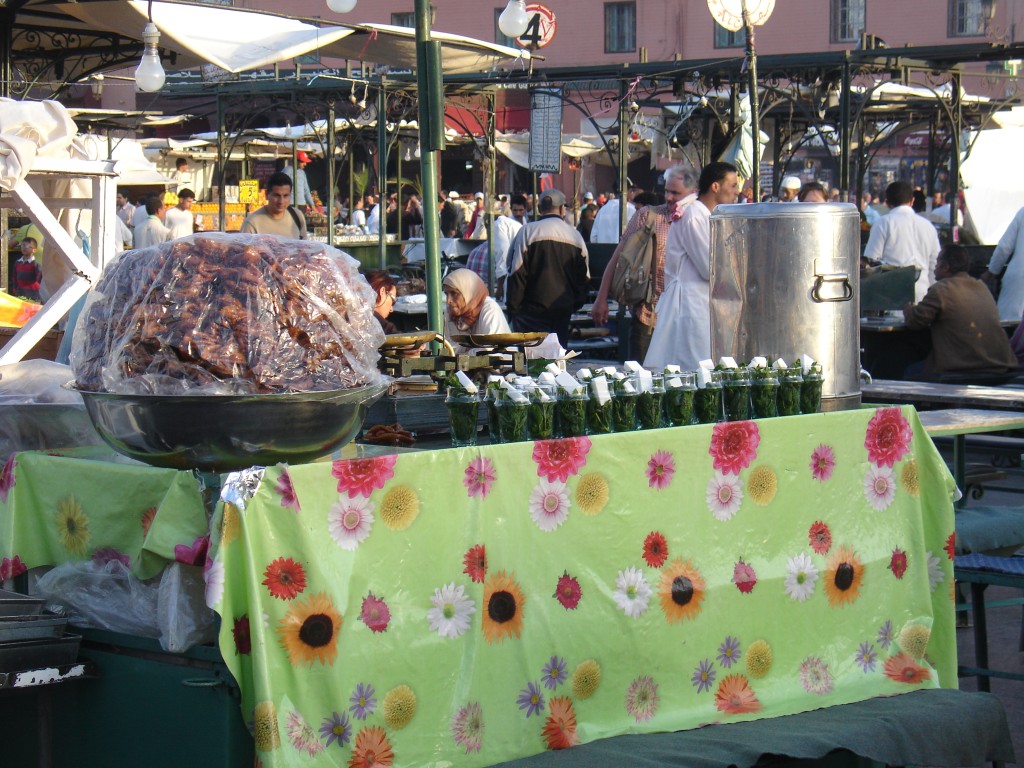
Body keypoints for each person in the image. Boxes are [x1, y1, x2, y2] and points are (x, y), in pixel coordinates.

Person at [592, 166, 698, 363]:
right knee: (642, 377)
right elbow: (617, 258)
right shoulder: (649, 216)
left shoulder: (698, 221)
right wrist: (601, 298)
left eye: (675, 193)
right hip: (648, 317)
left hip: (685, 318)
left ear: (693, 194)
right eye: (667, 191)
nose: (669, 197)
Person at [644, 161, 739, 370]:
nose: (736, 191)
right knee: (694, 365)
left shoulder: (703, 213)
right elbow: (709, 266)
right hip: (690, 303)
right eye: (732, 185)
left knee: (696, 363)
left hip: (698, 301)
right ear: (715, 186)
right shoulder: (694, 214)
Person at [903, 244, 1017, 380]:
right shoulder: (981, 286)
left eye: (938, 262)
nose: (935, 266)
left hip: (964, 367)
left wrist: (908, 310)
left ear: (945, 267)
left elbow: (915, 321)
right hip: (999, 366)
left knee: (909, 372)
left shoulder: (941, 289)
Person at [505, 189, 589, 347]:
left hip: (529, 313)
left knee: (530, 364)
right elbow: (584, 278)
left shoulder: (527, 232)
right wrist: (572, 304)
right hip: (561, 312)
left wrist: (514, 308)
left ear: (539, 209)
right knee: (557, 362)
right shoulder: (575, 237)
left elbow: (516, 272)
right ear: (563, 209)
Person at [863, 180, 941, 303]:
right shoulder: (928, 226)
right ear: (912, 201)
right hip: (923, 294)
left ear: (887, 203)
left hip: (892, 297)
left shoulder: (883, 223)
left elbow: (871, 263)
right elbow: (935, 264)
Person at [442, 268, 511, 348]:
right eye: (446, 294)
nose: (448, 301)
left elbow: (490, 349)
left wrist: (462, 354)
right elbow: (447, 346)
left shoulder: (489, 309)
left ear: (468, 292)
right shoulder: (451, 312)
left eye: (454, 293)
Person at [465, 211, 522, 300]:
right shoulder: (511, 225)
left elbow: (503, 256)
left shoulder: (496, 226)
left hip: (476, 294)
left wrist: (500, 287)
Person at [982, 205, 1024, 322]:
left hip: (1017, 282)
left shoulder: (1022, 212)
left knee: (1008, 326)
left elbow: (1004, 248)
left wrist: (991, 272)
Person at [240, 172, 307, 239]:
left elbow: (305, 247)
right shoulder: (252, 223)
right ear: (266, 195)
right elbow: (243, 248)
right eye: (276, 195)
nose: (281, 201)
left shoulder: (297, 216)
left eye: (285, 196)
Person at [365, 270, 401, 335]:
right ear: (382, 292)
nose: (391, 309)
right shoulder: (382, 326)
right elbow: (390, 332)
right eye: (393, 300)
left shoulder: (350, 314)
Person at [14, 236, 43, 301]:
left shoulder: (36, 265)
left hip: (33, 296)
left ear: (34, 250)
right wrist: (15, 290)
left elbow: (39, 279)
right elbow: (15, 278)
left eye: (27, 246)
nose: (24, 248)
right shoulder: (18, 263)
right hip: (20, 294)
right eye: (22, 246)